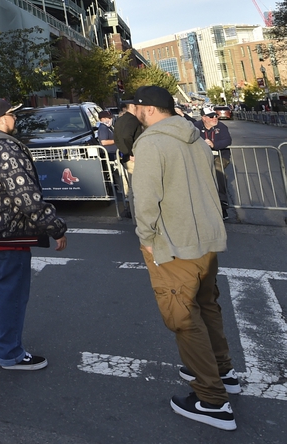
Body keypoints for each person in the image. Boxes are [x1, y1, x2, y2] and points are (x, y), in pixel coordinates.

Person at [128, 86, 237, 431]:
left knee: (184, 319)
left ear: (147, 109)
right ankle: (223, 370)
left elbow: (144, 199)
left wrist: (146, 239)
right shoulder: (193, 136)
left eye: (135, 108)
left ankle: (212, 401)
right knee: (208, 307)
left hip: (174, 244)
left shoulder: (150, 143)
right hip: (205, 240)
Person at [0, 98, 68, 371]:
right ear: (0, 119)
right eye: (11, 115)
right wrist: (56, 227)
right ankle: (11, 353)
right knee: (13, 288)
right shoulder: (5, 148)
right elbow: (27, 197)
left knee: (2, 275)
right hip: (7, 230)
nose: (15, 119)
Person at [193, 106, 232, 219]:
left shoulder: (221, 127)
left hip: (219, 156)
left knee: (218, 171)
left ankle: (222, 204)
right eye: (211, 116)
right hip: (201, 157)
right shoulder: (196, 127)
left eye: (216, 116)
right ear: (203, 118)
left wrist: (214, 145)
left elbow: (228, 140)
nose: (214, 118)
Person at [113, 102, 143, 219]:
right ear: (133, 107)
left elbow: (117, 139)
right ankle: (138, 216)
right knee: (137, 188)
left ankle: (134, 214)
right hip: (133, 158)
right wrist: (131, 152)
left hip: (126, 157)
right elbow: (126, 136)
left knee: (132, 188)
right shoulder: (133, 120)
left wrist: (125, 152)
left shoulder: (120, 120)